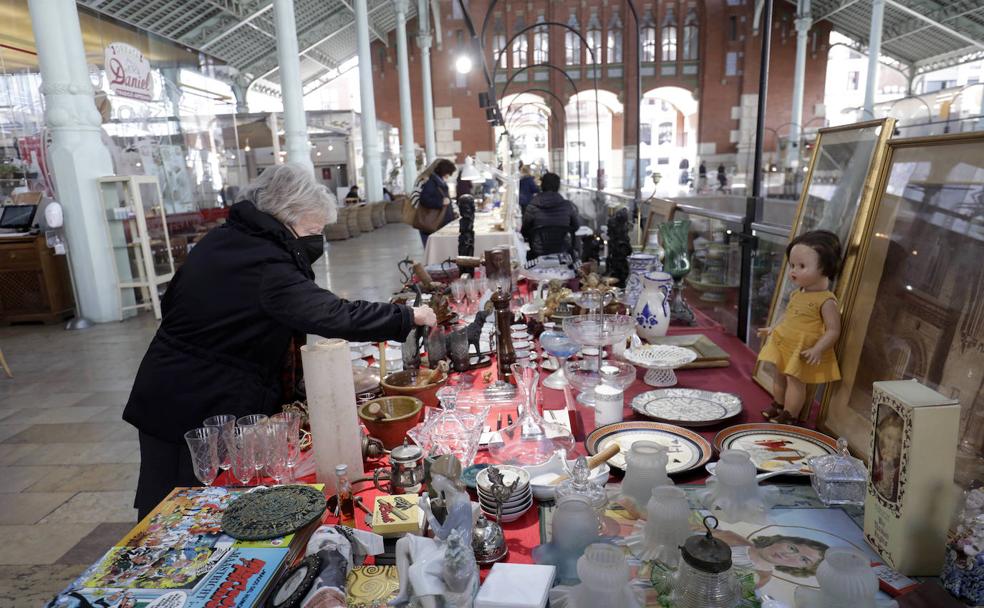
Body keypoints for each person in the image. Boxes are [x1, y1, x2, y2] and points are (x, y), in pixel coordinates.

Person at [123, 163, 437, 518]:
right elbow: (330, 314)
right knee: (179, 507)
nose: (315, 239)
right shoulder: (265, 263)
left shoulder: (227, 241)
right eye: (312, 229)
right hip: (193, 401)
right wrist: (407, 317)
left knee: (177, 495)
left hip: (176, 388)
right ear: (286, 217)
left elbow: (178, 305)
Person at [757, 230, 842, 424]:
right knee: (779, 375)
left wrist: (818, 349)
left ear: (826, 268)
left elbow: (833, 330)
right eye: (792, 265)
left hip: (802, 350)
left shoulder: (826, 300)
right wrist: (773, 328)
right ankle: (778, 404)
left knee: (795, 381)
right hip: (784, 343)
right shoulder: (798, 293)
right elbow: (788, 315)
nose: (793, 271)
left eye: (802, 266)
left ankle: (790, 414)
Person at [714, 530, 829, 587]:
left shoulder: (762, 577)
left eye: (804, 559)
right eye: (792, 548)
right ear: (781, 540)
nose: (788, 555)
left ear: (801, 568)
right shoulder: (733, 538)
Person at [520, 171, 579, 260]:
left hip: (538, 251)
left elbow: (524, 232)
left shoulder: (532, 206)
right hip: (562, 249)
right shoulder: (568, 206)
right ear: (558, 187)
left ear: (542, 186)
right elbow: (576, 227)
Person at [416, 158, 456, 246]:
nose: (449, 175)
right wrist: (441, 202)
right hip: (435, 223)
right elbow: (424, 199)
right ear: (444, 171)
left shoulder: (438, 182)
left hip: (441, 222)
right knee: (435, 249)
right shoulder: (431, 182)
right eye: (448, 173)